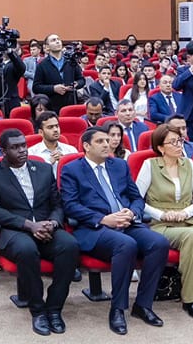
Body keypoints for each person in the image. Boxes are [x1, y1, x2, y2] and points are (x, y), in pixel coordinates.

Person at [60, 127, 170, 333]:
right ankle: (117, 308)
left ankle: (143, 304)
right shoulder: (72, 169)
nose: (107, 144)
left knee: (159, 243)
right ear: (86, 146)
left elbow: (137, 197)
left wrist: (132, 212)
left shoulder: (119, 165)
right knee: (126, 245)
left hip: (127, 222)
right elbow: (70, 205)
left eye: (107, 140)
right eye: (100, 141)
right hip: (94, 228)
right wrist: (103, 219)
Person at [0, 129, 82, 336]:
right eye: (15, 147)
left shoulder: (44, 169)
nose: (22, 151)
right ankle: (37, 310)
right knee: (27, 250)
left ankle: (54, 308)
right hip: (15, 230)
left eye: (23, 146)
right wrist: (29, 225)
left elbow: (57, 203)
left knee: (70, 246)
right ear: (3, 151)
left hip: (46, 227)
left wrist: (53, 223)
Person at [136, 126, 193, 320]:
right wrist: (162, 214)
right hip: (160, 223)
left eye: (180, 141)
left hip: (187, 217)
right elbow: (137, 200)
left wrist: (186, 212)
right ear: (161, 147)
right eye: (172, 142)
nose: (178, 145)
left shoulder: (188, 164)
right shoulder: (150, 165)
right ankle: (191, 298)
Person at [34, 36, 85, 114]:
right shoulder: (42, 65)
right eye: (53, 40)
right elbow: (36, 87)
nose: (57, 41)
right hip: (52, 105)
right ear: (47, 47)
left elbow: (82, 80)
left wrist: (77, 84)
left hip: (71, 104)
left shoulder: (70, 61)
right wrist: (53, 88)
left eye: (58, 39)